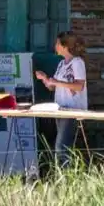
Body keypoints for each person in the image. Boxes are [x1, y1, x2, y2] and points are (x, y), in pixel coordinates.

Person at [34, 31, 88, 167]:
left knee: (61, 146)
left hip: (73, 109)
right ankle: (64, 174)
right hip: (61, 108)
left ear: (65, 46)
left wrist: (56, 82)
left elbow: (79, 86)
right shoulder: (61, 64)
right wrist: (45, 79)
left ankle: (65, 176)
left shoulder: (77, 63)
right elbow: (53, 87)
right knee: (62, 145)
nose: (55, 46)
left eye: (58, 43)